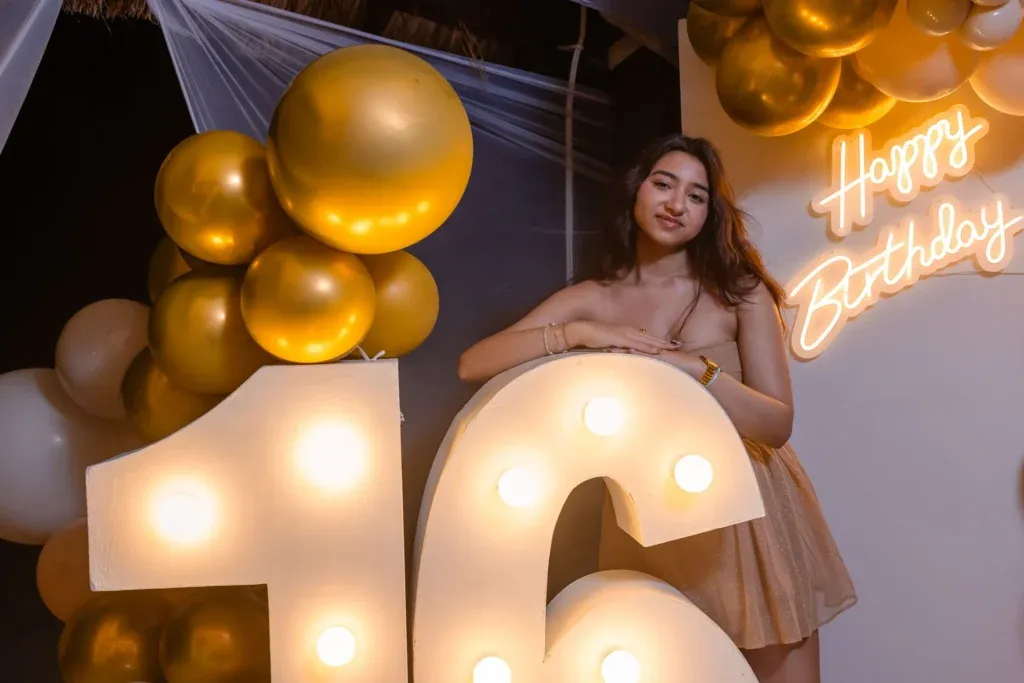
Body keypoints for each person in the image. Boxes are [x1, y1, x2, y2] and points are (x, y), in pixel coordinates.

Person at [457, 133, 857, 683]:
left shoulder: (738, 292)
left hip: (749, 513)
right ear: (636, 190)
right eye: (663, 184)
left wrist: (698, 370)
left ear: (710, 215)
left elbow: (775, 423)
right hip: (648, 518)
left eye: (696, 196)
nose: (676, 204)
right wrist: (580, 333)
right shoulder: (591, 299)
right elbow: (474, 363)